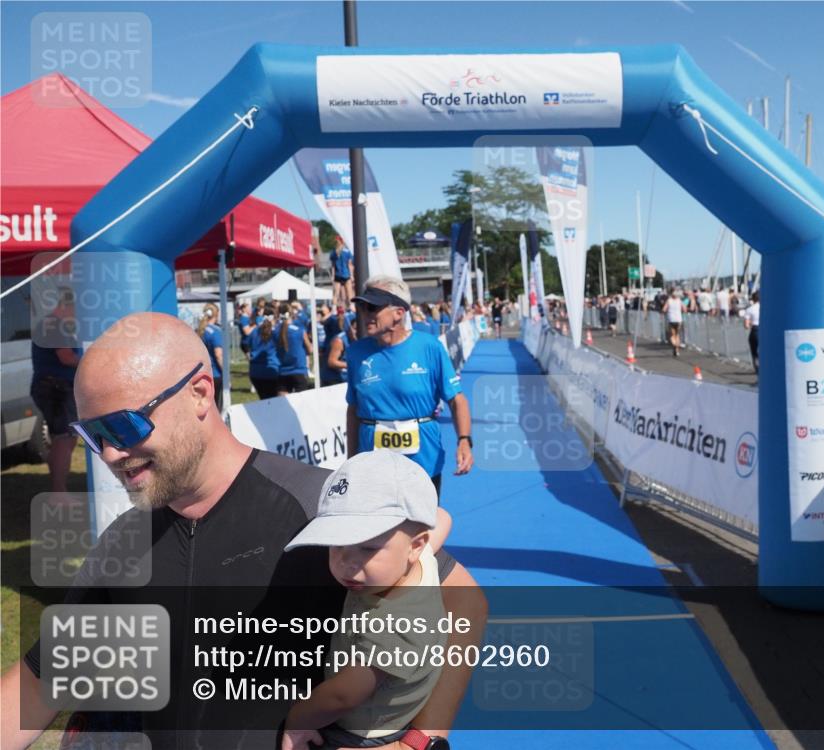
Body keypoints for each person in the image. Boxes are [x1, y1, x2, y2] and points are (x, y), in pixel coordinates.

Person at [1, 313, 486, 750]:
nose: (108, 454)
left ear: (199, 394)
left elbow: (464, 601)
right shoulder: (125, 543)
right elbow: (39, 683)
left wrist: (422, 739)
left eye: (123, 427)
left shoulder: (321, 507)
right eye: (93, 435)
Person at [282, 451, 446, 749]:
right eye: (335, 545)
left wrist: (298, 718)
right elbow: (443, 520)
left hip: (364, 732)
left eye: (367, 548)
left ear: (415, 545)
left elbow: (344, 696)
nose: (346, 562)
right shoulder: (420, 558)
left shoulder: (393, 625)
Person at [344, 276, 472, 546]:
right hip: (373, 462)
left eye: (373, 308)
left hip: (422, 460)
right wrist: (351, 460)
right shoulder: (356, 352)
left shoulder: (429, 347)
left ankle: (424, 583)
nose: (365, 314)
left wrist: (464, 440)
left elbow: (457, 400)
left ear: (399, 313)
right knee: (377, 537)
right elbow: (353, 409)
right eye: (364, 307)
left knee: (420, 535)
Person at [30, 287, 80, 492]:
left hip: (50, 386)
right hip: (56, 387)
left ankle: (57, 488)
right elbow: (66, 357)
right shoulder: (56, 326)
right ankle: (59, 492)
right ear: (68, 305)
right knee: (64, 439)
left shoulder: (51, 324)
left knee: (63, 438)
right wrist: (91, 363)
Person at [277, 302, 312, 395]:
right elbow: (310, 350)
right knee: (301, 406)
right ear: (291, 314)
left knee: (282, 407)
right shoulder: (299, 330)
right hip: (299, 370)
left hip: (282, 371)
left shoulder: (275, 331)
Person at [196, 302, 224, 410]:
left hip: (203, 373)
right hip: (216, 374)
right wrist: (226, 373)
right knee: (217, 407)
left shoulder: (200, 330)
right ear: (216, 314)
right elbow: (218, 355)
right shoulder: (216, 332)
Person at [248, 305, 281, 399]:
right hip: (271, 370)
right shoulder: (276, 332)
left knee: (263, 400)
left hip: (255, 372)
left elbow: (249, 346)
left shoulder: (254, 331)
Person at [332, 237, 355, 308]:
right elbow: (349, 264)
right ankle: (352, 307)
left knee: (336, 294)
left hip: (337, 275)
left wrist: (333, 276)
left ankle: (334, 309)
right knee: (349, 293)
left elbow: (333, 265)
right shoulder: (347, 252)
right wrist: (351, 276)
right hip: (346, 274)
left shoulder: (334, 252)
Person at [744, 291, 761, 374]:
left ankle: (757, 370)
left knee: (754, 352)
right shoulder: (766, 308)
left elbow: (746, 325)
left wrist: (750, 323)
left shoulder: (749, 309)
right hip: (765, 331)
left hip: (755, 330)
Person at [665, 289, 684, 357]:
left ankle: (675, 346)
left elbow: (664, 309)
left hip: (671, 319)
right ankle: (677, 350)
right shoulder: (679, 300)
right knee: (677, 335)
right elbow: (684, 308)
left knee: (672, 335)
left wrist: (664, 311)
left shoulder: (669, 300)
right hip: (679, 319)